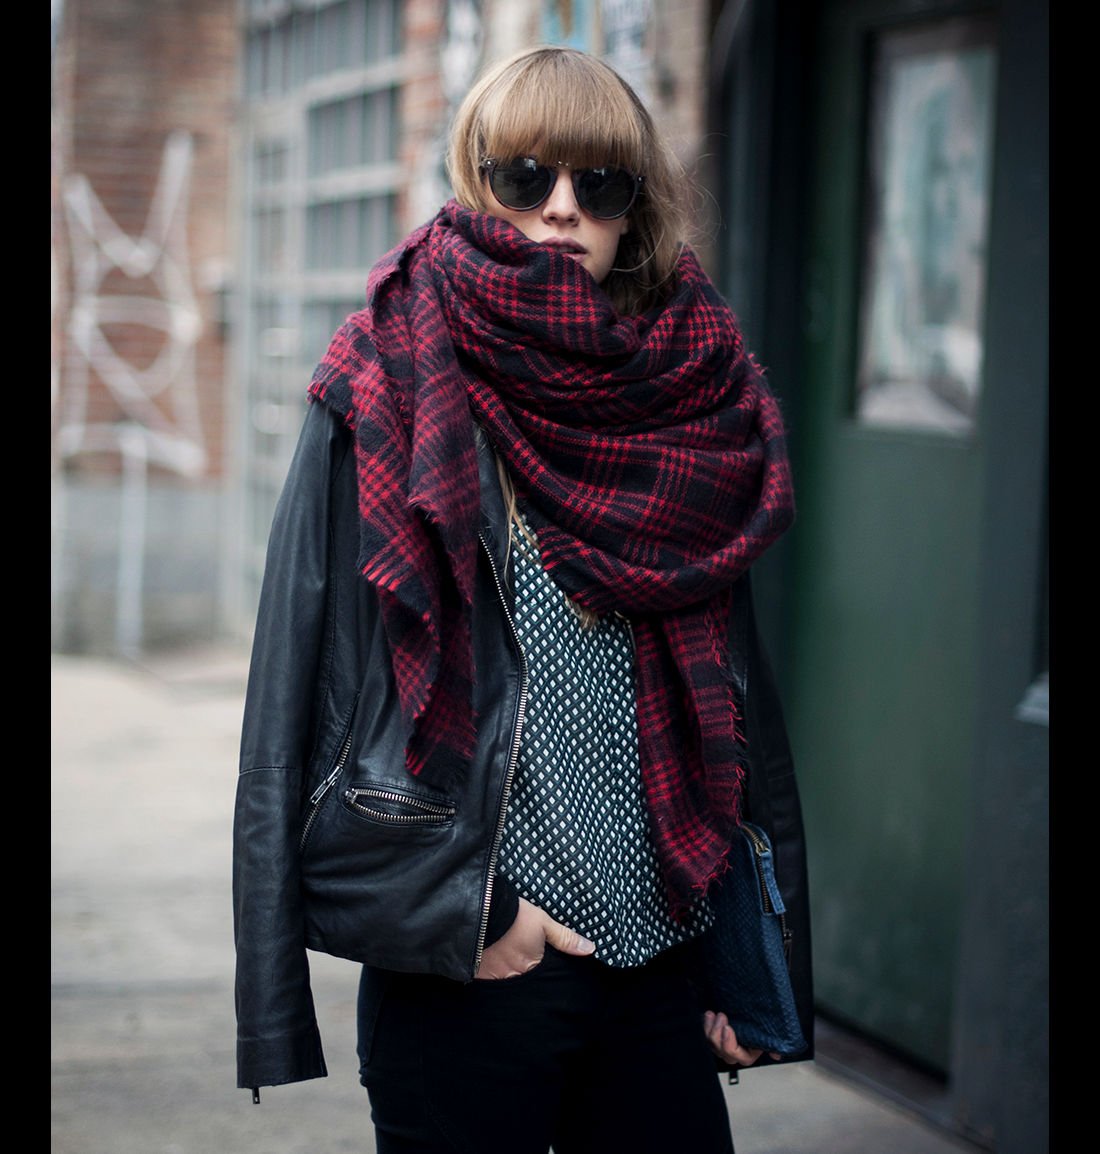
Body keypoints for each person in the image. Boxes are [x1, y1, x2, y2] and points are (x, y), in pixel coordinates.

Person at [233, 44, 813, 1154]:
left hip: (660, 955)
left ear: (634, 209)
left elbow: (739, 712)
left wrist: (750, 961)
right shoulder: (390, 373)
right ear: (477, 180)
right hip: (477, 961)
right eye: (526, 175)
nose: (560, 208)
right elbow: (293, 701)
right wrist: (480, 913)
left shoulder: (694, 396)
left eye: (599, 183)